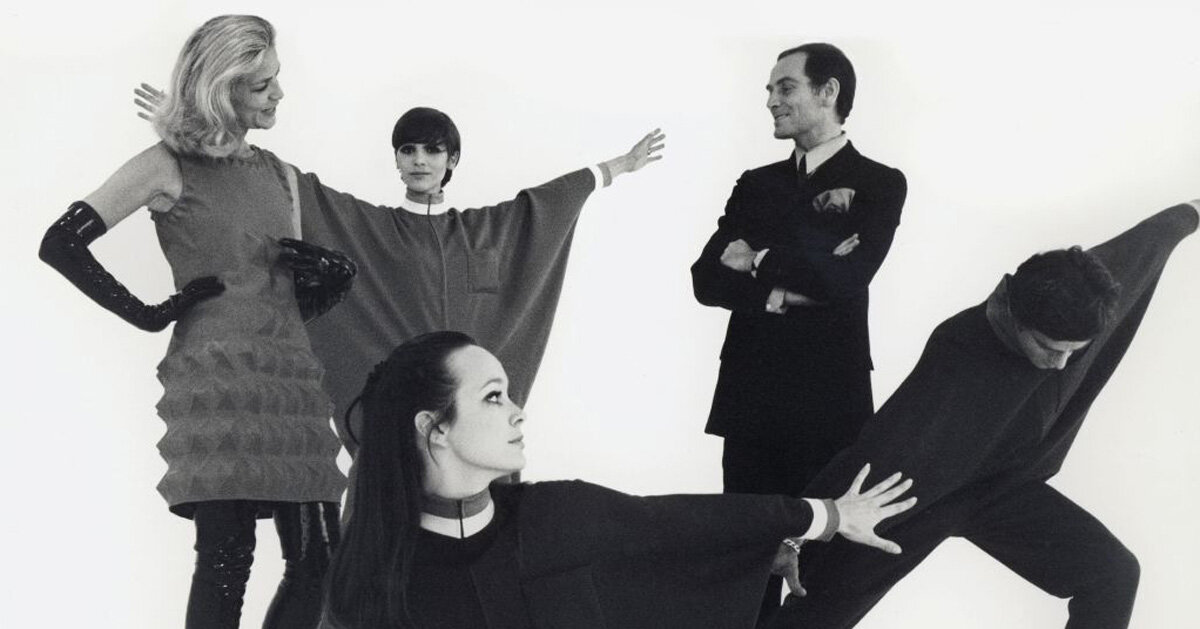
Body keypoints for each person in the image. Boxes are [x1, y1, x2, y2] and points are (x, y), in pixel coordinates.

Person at [39, 15, 351, 629]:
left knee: (320, 563)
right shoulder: (164, 166)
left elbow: (282, 297)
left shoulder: (279, 174)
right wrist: (148, 313)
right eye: (262, 85)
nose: (279, 94)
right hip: (218, 380)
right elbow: (60, 243)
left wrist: (332, 280)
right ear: (222, 89)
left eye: (276, 78)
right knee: (228, 562)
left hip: (290, 379)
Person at [135, 91, 665, 450]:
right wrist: (197, 129)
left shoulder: (484, 231)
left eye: (433, 150)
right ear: (396, 159)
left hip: (468, 422)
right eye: (407, 149)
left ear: (451, 160)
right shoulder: (369, 227)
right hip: (399, 419)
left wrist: (618, 166)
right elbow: (282, 180)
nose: (419, 160)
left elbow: (546, 204)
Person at [771, 203, 1199, 629]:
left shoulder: (1082, 295)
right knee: (812, 616)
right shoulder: (959, 353)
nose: (1061, 364)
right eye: (1050, 348)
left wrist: (1191, 211)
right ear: (1015, 315)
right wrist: (795, 534)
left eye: (1075, 351)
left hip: (1002, 485)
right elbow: (877, 447)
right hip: (918, 497)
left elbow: (1152, 239)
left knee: (1114, 573)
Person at [322, 331, 918, 629]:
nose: (518, 413)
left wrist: (823, 518)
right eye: (494, 396)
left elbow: (679, 525)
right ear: (435, 428)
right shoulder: (368, 579)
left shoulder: (556, 517)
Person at [689, 42, 907, 620]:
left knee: (824, 580)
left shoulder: (880, 182)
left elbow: (846, 279)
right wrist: (786, 290)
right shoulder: (755, 183)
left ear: (828, 92)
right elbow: (705, 279)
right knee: (748, 569)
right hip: (750, 401)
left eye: (784, 87)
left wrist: (757, 258)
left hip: (829, 403)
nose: (770, 101)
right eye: (769, 89)